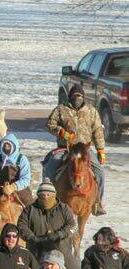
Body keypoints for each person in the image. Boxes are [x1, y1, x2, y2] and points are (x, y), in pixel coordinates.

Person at [44, 85, 107, 215]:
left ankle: (97, 202)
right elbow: (50, 124)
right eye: (74, 96)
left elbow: (97, 130)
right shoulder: (61, 109)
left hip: (84, 150)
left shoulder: (91, 110)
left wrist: (100, 149)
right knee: (50, 166)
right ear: (70, 97)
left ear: (83, 97)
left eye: (79, 96)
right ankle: (47, 198)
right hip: (66, 148)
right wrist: (61, 132)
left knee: (100, 172)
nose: (77, 98)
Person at [17, 179, 81, 269]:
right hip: (36, 251)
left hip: (61, 249)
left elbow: (73, 226)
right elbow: (21, 226)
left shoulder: (64, 209)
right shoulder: (29, 209)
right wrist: (32, 238)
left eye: (48, 195)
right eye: (42, 195)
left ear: (54, 195)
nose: (45, 197)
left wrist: (60, 234)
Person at [0, 133, 33, 205]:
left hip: (20, 191)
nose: (6, 147)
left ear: (14, 146)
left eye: (9, 145)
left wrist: (13, 187)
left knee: (29, 209)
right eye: (4, 145)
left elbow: (26, 179)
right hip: (1, 191)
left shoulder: (22, 159)